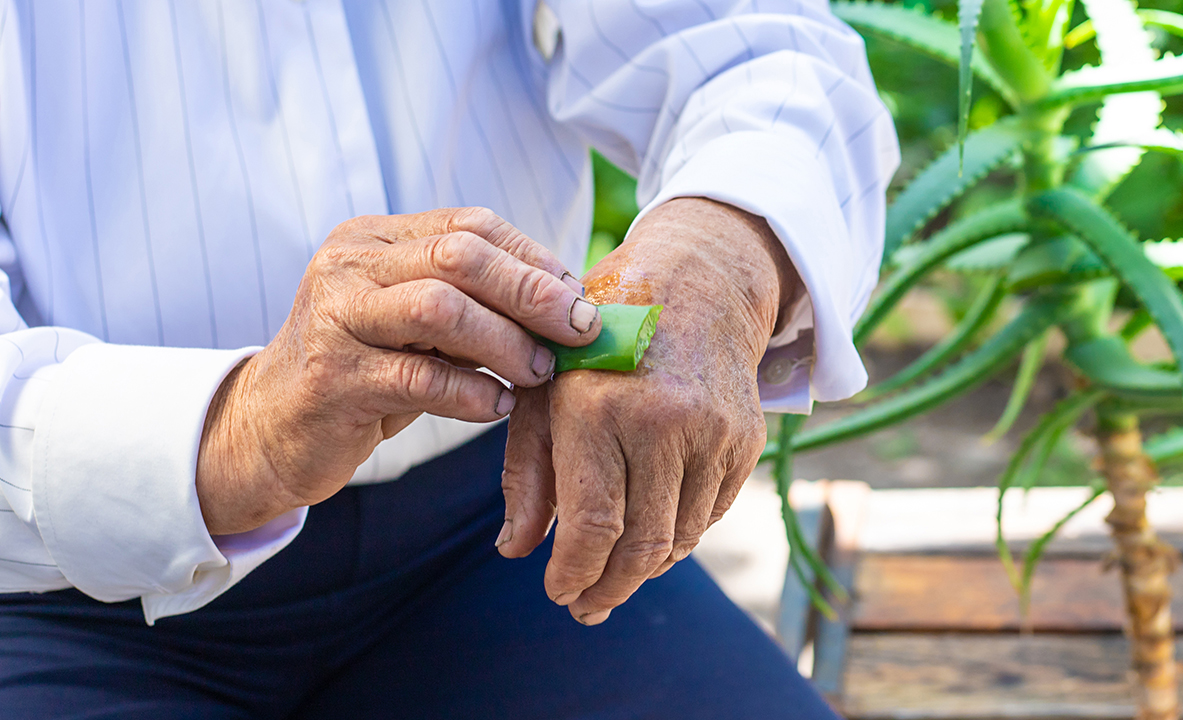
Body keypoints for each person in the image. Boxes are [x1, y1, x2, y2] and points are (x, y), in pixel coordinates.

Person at [0, 1, 898, 717]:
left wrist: (717, 260)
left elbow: (756, 48)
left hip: (500, 542)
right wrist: (241, 430)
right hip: (53, 605)